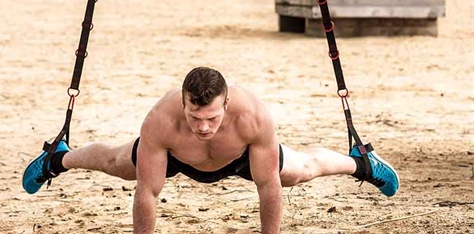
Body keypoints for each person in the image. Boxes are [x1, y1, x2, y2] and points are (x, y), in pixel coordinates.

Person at [23, 67, 399, 234]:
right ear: (184, 103)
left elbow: (268, 188)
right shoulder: (161, 120)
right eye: (195, 116)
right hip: (175, 154)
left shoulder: (253, 118)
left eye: (212, 118)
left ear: (227, 103)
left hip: (238, 155)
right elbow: (148, 192)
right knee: (118, 162)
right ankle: (58, 157)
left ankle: (360, 162)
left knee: (298, 171)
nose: (203, 126)